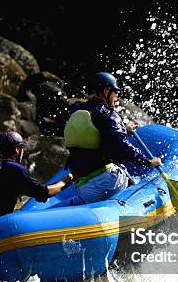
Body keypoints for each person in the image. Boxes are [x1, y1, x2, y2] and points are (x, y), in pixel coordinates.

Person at [61, 71, 162, 205]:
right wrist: (148, 162)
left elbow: (95, 137)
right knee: (123, 170)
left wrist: (124, 131)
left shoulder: (78, 110)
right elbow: (122, 148)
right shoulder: (109, 115)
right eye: (115, 91)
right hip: (106, 183)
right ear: (106, 90)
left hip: (82, 185)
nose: (117, 95)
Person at [0, 131, 73, 222]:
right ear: (17, 150)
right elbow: (44, 192)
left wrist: (32, 192)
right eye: (22, 149)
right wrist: (65, 181)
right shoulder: (14, 168)